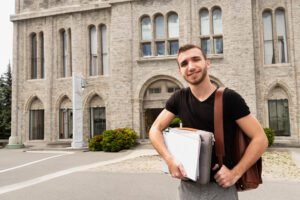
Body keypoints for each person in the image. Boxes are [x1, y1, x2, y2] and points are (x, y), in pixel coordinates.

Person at [149, 44, 268, 200]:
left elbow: (260, 139)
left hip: (221, 189)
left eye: (196, 59)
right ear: (180, 71)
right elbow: (155, 129)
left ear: (207, 63)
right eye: (184, 63)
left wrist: (235, 173)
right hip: (188, 188)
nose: (190, 67)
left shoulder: (229, 98)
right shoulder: (179, 98)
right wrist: (169, 159)